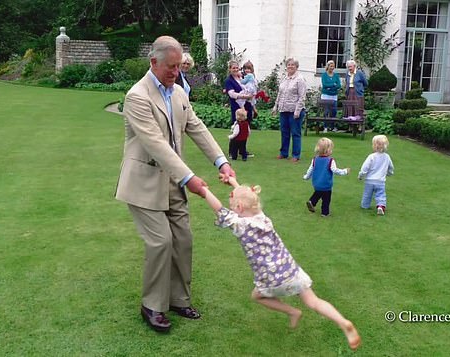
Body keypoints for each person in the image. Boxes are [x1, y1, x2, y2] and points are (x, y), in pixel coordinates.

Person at [115, 35, 236, 333]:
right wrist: (190, 179)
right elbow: (156, 145)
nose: (175, 72)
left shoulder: (179, 93)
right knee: (161, 241)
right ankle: (152, 306)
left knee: (183, 240)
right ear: (152, 62)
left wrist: (221, 161)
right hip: (143, 183)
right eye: (170, 67)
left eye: (178, 66)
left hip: (172, 183)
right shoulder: (137, 96)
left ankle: (179, 299)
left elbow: (197, 128)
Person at [200, 177, 361, 351]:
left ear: (239, 208)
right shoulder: (262, 218)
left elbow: (219, 209)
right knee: (314, 301)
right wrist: (233, 182)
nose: (232, 209)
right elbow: (246, 198)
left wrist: (204, 191)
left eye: (233, 206)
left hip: (271, 278)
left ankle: (292, 312)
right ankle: (343, 323)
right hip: (292, 271)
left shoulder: (240, 224)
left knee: (257, 296)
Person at [303, 137, 350, 217]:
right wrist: (345, 171)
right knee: (326, 199)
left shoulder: (314, 160)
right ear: (327, 150)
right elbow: (335, 170)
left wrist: (306, 177)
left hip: (316, 183)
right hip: (326, 184)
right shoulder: (330, 161)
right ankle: (325, 212)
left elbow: (310, 170)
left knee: (318, 193)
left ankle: (312, 201)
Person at [272, 58, 307, 163]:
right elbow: (280, 94)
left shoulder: (300, 79)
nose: (290, 66)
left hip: (294, 110)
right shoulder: (284, 78)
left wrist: (297, 111)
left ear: (296, 67)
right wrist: (275, 107)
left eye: (293, 65)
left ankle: (296, 155)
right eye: (288, 64)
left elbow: (302, 96)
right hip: (284, 110)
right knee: (284, 132)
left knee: (295, 133)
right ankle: (283, 153)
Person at [224, 60, 255, 158]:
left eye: (237, 68)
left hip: (247, 106)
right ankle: (232, 151)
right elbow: (232, 94)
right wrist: (244, 97)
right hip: (237, 107)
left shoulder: (243, 78)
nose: (236, 69)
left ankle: (243, 150)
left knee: (245, 129)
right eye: (233, 68)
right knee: (236, 128)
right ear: (230, 69)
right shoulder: (229, 81)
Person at [358, 135, 394, 215]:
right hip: (380, 181)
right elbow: (391, 167)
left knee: (367, 194)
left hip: (369, 181)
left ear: (374, 146)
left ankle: (365, 205)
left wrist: (361, 175)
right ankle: (381, 206)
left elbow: (365, 167)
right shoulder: (387, 157)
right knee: (381, 194)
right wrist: (389, 173)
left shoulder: (371, 157)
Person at [320, 60, 342, 133]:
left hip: (334, 95)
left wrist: (331, 87)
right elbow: (324, 85)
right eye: (331, 66)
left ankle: (332, 127)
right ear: (328, 66)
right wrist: (333, 85)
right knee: (326, 111)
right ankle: (325, 127)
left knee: (334, 111)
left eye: (333, 66)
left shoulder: (336, 75)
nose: (332, 67)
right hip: (326, 95)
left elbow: (338, 85)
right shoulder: (324, 75)